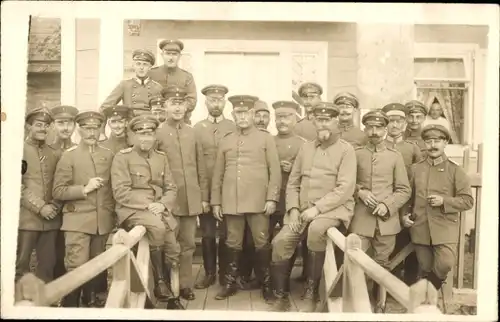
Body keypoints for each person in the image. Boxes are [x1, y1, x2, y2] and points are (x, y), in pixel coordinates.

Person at [270, 102, 356, 312]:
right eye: (319, 120)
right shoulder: (306, 147)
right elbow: (293, 182)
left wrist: (317, 209)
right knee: (280, 241)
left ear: (336, 122)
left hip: (333, 209)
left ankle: (311, 292)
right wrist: (293, 209)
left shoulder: (346, 150)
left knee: (316, 231)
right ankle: (280, 296)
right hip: (303, 210)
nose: (322, 125)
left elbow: (344, 189)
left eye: (327, 120)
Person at [211, 95, 281, 302]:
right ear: (233, 115)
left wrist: (272, 199)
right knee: (232, 242)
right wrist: (216, 201)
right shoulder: (226, 140)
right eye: (238, 113)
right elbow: (218, 174)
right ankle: (230, 283)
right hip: (231, 200)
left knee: (261, 242)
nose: (242, 117)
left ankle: (266, 284)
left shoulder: (265, 138)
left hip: (259, 200)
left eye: (246, 113)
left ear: (253, 114)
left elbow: (275, 171)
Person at [111, 114, 184, 309]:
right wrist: (150, 205)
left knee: (173, 247)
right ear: (133, 136)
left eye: (149, 134)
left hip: (157, 209)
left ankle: (172, 297)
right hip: (132, 209)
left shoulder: (161, 157)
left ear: (154, 136)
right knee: (158, 228)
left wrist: (162, 205)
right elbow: (121, 192)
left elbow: (171, 188)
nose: (145, 138)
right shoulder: (122, 157)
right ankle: (159, 283)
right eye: (141, 134)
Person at [349, 109, 411, 312]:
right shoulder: (355, 153)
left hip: (386, 221)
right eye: (370, 127)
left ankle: (381, 305)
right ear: (365, 129)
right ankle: (360, 305)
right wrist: (360, 192)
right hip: (360, 219)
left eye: (379, 127)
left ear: (385, 130)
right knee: (358, 262)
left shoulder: (395, 156)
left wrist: (387, 205)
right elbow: (345, 183)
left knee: (383, 264)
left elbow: (404, 190)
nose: (374, 132)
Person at [52, 111, 115, 308]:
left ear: (100, 130)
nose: (91, 132)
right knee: (76, 267)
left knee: (96, 267)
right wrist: (84, 188)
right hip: (77, 221)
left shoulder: (108, 155)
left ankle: (90, 301)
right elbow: (58, 191)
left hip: (101, 223)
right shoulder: (68, 157)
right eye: (87, 128)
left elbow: (114, 188)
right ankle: (69, 306)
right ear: (79, 130)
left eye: (95, 128)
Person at [401, 124, 473, 296]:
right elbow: (407, 196)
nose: (432, 145)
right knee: (425, 267)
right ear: (424, 143)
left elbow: (468, 201)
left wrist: (444, 201)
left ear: (445, 143)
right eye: (429, 141)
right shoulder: (416, 169)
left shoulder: (456, 171)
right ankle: (430, 304)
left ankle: (425, 294)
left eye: (437, 141)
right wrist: (404, 215)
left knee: (445, 264)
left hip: (445, 228)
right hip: (421, 227)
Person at [156, 85, 209, 301]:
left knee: (187, 245)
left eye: (181, 104)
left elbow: (200, 167)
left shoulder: (192, 132)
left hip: (190, 199)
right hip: (168, 201)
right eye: (173, 104)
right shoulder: (157, 132)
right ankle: (165, 284)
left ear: (186, 107)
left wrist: (204, 197)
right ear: (165, 106)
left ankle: (185, 285)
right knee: (168, 244)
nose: (177, 108)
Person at [193, 84, 236, 289]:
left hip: (229, 190)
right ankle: (209, 273)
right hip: (206, 189)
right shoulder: (197, 128)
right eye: (212, 100)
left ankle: (225, 274)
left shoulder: (233, 127)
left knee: (229, 234)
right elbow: (196, 165)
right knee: (208, 234)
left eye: (219, 100)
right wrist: (203, 195)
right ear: (205, 102)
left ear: (225, 102)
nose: (216, 104)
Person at [17, 107, 62, 287]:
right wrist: (40, 207)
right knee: (21, 266)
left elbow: (60, 183)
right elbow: (15, 186)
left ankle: (45, 305)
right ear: (29, 127)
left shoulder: (54, 153)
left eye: (46, 125)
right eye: (38, 125)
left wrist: (53, 207)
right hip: (26, 219)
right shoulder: (19, 151)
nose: (43, 129)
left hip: (51, 220)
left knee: (47, 267)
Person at [381, 103, 423, 286]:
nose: (395, 125)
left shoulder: (412, 148)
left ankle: (409, 284)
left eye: (399, 121)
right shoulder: (379, 146)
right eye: (391, 121)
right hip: (385, 201)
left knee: (409, 241)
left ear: (405, 124)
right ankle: (388, 285)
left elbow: (419, 177)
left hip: (407, 201)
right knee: (389, 244)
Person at [293, 82, 323, 284]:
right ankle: (306, 273)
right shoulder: (298, 126)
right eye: (306, 97)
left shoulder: (327, 122)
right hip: (304, 183)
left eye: (313, 96)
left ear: (320, 97)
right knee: (303, 230)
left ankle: (318, 277)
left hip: (324, 185)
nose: (309, 101)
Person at [47, 105, 79, 286]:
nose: (65, 128)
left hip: (72, 209)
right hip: (50, 210)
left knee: (70, 252)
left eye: (69, 123)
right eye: (60, 123)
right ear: (53, 125)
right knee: (51, 254)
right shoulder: (46, 150)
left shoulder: (77, 150)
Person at [100, 49, 163, 139]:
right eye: (138, 64)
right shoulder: (125, 85)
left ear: (150, 67)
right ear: (133, 66)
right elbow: (104, 107)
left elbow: (163, 113)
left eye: (145, 64)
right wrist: (102, 132)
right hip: (129, 130)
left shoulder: (157, 87)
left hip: (150, 130)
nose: (141, 68)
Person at [271, 100, 306, 242]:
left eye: (287, 117)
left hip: (292, 202)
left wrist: (294, 169)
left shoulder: (303, 144)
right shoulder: (268, 141)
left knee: (290, 239)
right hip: (270, 200)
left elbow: (310, 172)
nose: (282, 121)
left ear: (295, 119)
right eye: (279, 117)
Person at [149, 39, 197, 125]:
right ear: (162, 55)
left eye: (174, 54)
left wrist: (174, 109)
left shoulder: (187, 76)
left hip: (180, 122)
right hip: (156, 121)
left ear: (179, 56)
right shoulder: (152, 74)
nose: (171, 58)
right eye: (168, 54)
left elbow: (191, 102)